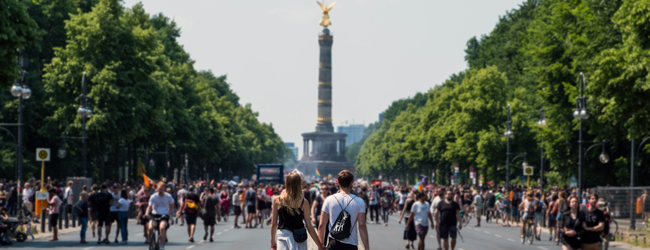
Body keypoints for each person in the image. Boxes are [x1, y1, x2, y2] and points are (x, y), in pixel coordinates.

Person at [270, 173, 324, 250]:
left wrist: (272, 241)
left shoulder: (277, 200)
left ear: (286, 183)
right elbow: (310, 227)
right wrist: (319, 245)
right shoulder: (303, 202)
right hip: (299, 237)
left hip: (283, 237)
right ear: (299, 184)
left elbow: (274, 223)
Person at [318, 170, 369, 250]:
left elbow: (321, 225)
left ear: (338, 183)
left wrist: (320, 245)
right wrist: (366, 247)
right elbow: (362, 226)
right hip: (351, 244)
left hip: (334, 243)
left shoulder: (329, 199)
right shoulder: (359, 202)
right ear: (351, 183)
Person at [145, 182, 175, 250]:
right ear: (157, 188)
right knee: (150, 228)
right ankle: (151, 243)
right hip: (155, 214)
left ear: (164, 189)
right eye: (159, 189)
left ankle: (162, 245)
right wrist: (146, 213)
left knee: (162, 228)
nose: (160, 190)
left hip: (164, 215)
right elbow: (149, 206)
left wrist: (169, 213)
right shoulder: (153, 196)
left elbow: (172, 204)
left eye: (161, 189)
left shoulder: (168, 196)